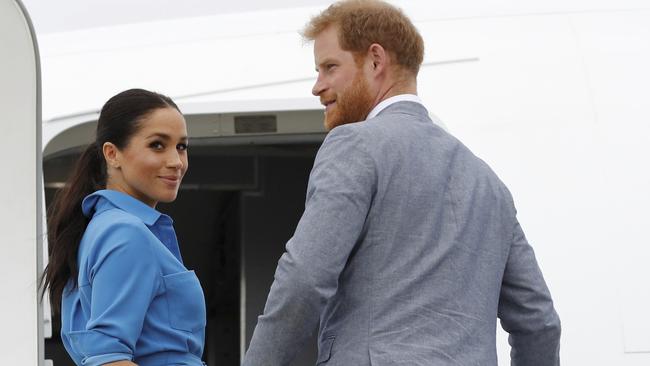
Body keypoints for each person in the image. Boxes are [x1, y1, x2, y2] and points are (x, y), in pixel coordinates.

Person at [243, 1, 561, 365]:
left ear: (375, 60)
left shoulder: (354, 145)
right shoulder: (488, 182)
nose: (318, 87)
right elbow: (539, 322)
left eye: (330, 67)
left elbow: (304, 279)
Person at [41, 89, 206, 366]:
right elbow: (108, 359)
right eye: (157, 145)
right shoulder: (125, 233)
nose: (176, 162)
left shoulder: (102, 227)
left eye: (181, 146)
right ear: (112, 154)